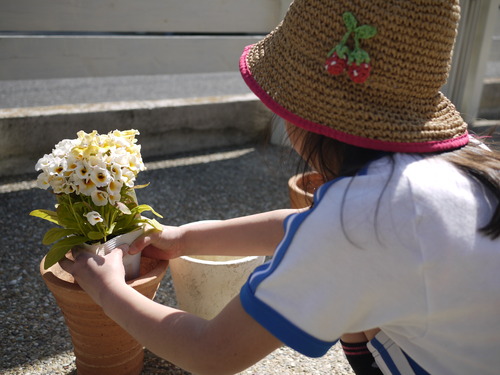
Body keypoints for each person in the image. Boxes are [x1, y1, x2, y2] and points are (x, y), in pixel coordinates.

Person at [60, 0, 500, 374]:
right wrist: (183, 238)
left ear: (303, 112)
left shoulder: (360, 222)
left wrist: (107, 290)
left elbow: (211, 353)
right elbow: (306, 226)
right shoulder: (459, 165)